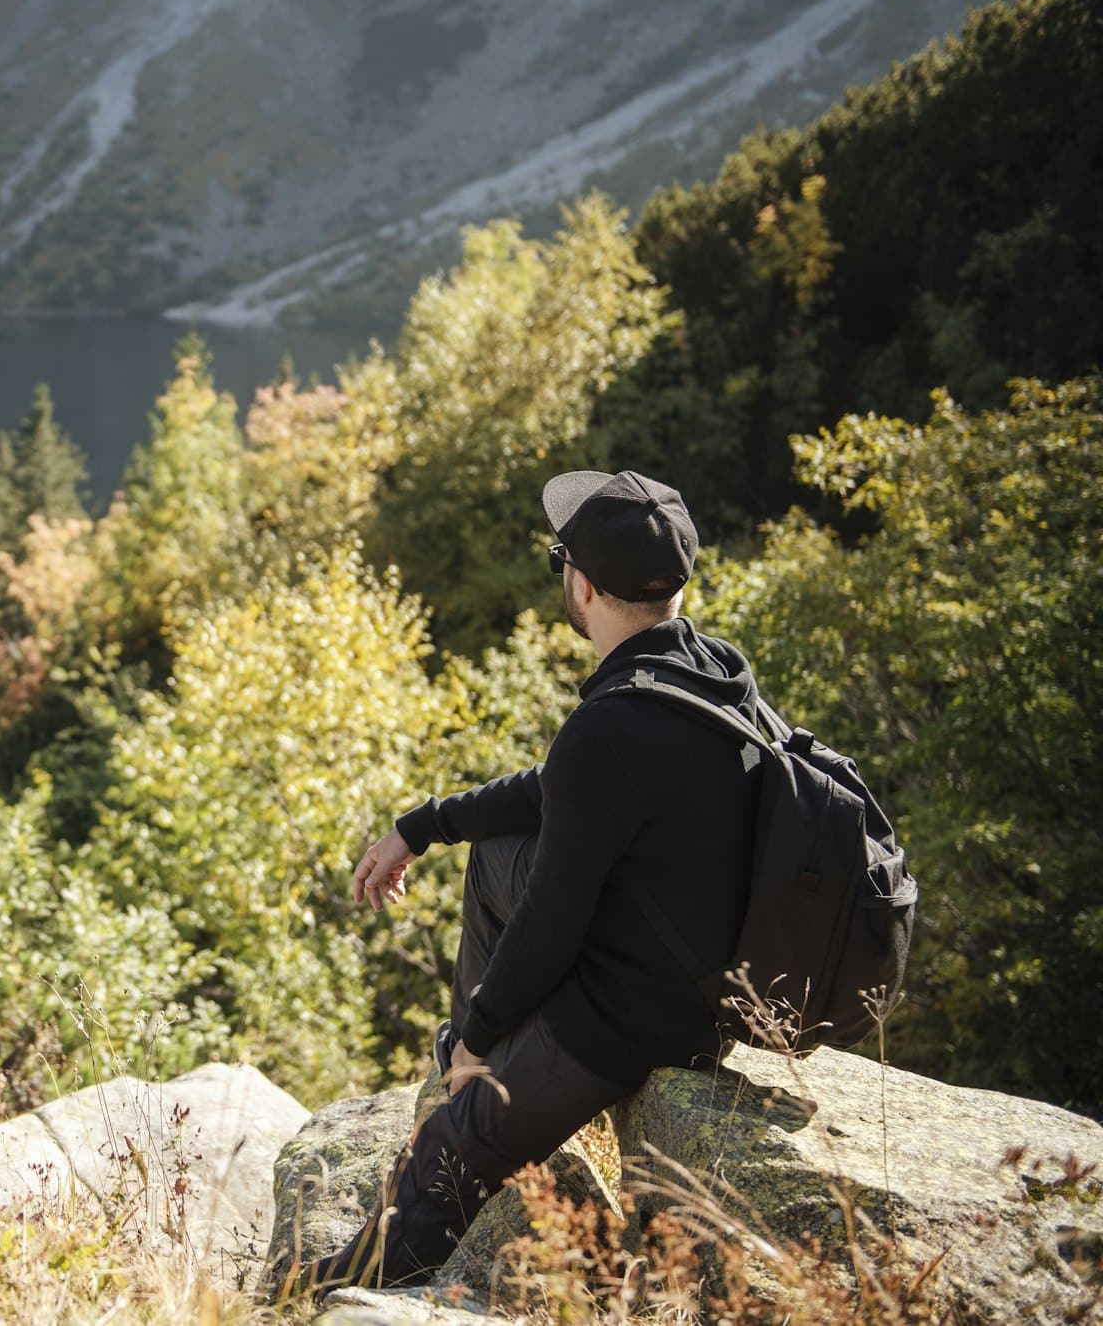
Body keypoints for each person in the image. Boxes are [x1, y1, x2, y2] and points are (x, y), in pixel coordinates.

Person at [294, 468, 763, 1292]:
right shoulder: (715, 673)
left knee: (450, 1153)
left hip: (636, 1012)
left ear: (581, 587)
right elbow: (558, 790)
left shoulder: (613, 724)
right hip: (693, 961)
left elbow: (552, 922)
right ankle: (475, 1067)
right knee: (494, 854)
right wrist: (424, 825)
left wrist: (479, 1033)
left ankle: (334, 1291)